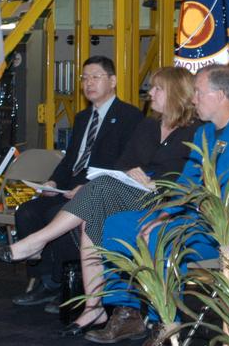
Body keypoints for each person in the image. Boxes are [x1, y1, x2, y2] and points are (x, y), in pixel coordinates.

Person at [0, 66, 200, 336]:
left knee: (99, 189)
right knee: (92, 217)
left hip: (164, 199)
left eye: (157, 88)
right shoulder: (148, 125)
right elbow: (123, 161)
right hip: (130, 191)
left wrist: (154, 181)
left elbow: (190, 176)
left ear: (175, 92)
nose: (150, 93)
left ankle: (37, 242)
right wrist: (130, 171)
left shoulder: (195, 131)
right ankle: (94, 306)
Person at [95, 63, 229, 346]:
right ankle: (127, 313)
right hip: (188, 217)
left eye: (200, 93)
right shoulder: (204, 133)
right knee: (115, 224)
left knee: (159, 236)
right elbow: (186, 184)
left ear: (219, 96)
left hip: (222, 230)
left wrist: (170, 220)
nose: (193, 99)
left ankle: (164, 329)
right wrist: (164, 213)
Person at [10, 55, 142, 311]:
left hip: (99, 188)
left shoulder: (129, 116)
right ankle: (45, 282)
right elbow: (71, 159)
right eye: (84, 78)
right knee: (26, 212)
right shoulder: (83, 118)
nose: (88, 83)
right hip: (68, 186)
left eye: (95, 77)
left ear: (112, 81)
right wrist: (52, 181)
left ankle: (65, 284)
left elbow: (125, 162)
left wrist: (90, 186)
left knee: (53, 214)